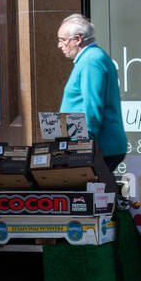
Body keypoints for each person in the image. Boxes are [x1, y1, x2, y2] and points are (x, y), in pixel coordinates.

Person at [57, 13, 128, 174]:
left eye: (63, 39)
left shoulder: (91, 60)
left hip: (98, 146)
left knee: (94, 195)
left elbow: (93, 106)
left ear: (78, 39)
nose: (59, 45)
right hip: (96, 145)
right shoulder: (90, 58)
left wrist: (84, 144)